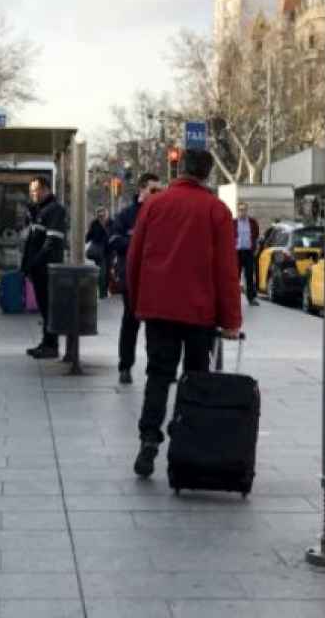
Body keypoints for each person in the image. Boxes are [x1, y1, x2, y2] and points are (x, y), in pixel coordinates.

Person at [126, 149, 241, 478]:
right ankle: (187, 439)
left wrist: (137, 303)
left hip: (159, 310)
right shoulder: (216, 211)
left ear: (180, 169)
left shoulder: (154, 205)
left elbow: (134, 258)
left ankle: (149, 440)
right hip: (199, 313)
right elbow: (226, 271)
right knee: (195, 379)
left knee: (158, 376)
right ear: (206, 174)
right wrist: (231, 320)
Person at [106, 173, 162, 386]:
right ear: (141, 190)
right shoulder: (127, 215)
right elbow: (113, 240)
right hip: (131, 277)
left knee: (155, 327)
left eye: (160, 190)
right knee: (130, 322)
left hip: (155, 279)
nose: (157, 194)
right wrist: (137, 244)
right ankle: (125, 366)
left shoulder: (163, 213)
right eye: (153, 190)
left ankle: (154, 368)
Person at [22, 175, 69, 359]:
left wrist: (35, 262)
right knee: (44, 307)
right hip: (38, 268)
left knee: (49, 307)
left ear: (46, 189)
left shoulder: (55, 210)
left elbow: (51, 242)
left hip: (47, 268)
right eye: (31, 191)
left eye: (36, 190)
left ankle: (52, 346)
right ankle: (46, 342)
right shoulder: (38, 210)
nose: (33, 194)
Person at [233, 203, 261, 305]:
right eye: (240, 210)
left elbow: (257, 237)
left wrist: (256, 249)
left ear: (247, 210)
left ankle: (251, 298)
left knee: (249, 275)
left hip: (249, 252)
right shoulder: (233, 223)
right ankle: (234, 298)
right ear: (237, 211)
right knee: (235, 276)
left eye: (244, 210)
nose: (242, 212)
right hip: (237, 252)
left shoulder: (252, 222)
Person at [86, 207, 110, 298]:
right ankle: (102, 293)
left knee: (105, 272)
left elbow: (111, 235)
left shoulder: (109, 223)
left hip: (107, 251)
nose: (101, 216)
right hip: (99, 252)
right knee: (102, 272)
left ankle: (103, 291)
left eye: (102, 214)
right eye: (100, 214)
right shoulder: (95, 223)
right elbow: (89, 236)